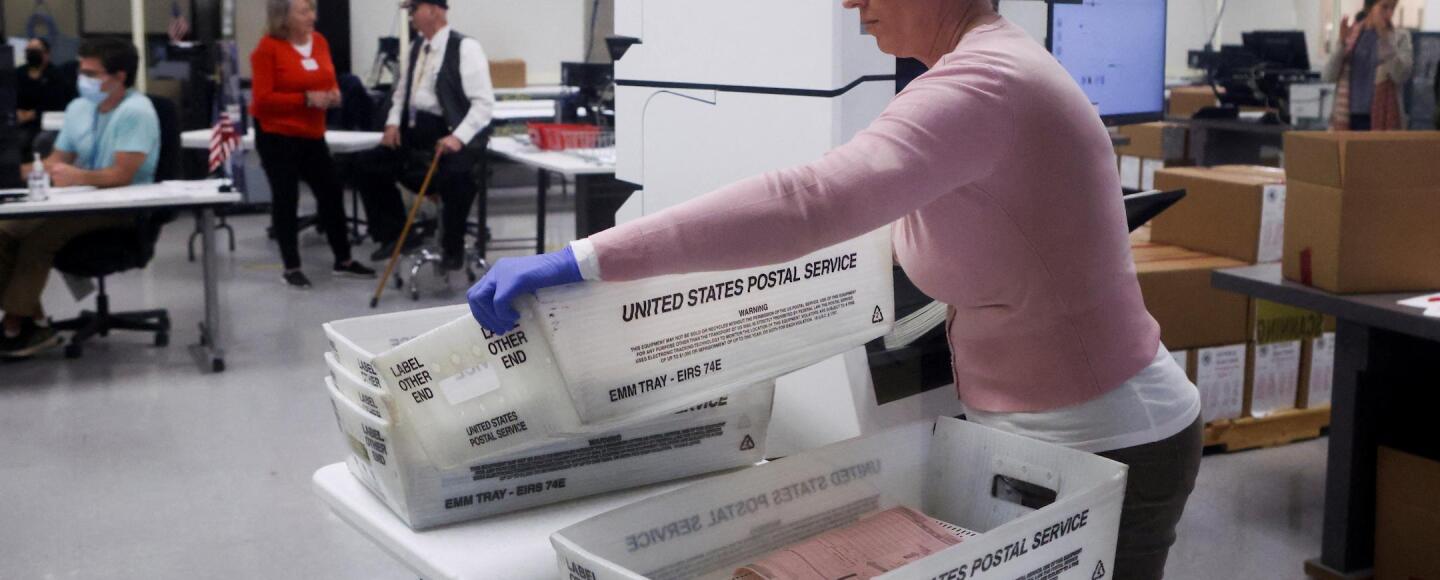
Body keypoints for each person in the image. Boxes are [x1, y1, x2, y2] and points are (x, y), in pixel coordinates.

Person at [467, 0, 1201, 578]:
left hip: (1110, 441)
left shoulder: (984, 84)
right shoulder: (985, 69)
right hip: (1038, 434)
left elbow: (807, 202)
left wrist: (585, 257)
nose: (852, 2)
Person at [0, 38, 160, 359]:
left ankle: (14, 325)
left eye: (91, 74)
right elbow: (55, 161)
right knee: (5, 230)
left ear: (120, 76)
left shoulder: (137, 112)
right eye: (81, 71)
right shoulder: (79, 108)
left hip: (121, 207)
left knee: (38, 238)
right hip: (77, 200)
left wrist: (78, 177)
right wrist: (12, 173)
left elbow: (122, 175)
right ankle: (34, 321)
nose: (82, 79)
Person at [354, 0, 495, 270]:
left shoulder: (465, 48)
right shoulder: (417, 46)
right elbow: (401, 93)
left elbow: (484, 104)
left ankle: (452, 248)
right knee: (367, 164)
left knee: (457, 177)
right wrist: (392, 123)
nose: (410, 16)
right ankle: (396, 234)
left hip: (450, 132)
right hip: (414, 132)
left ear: (433, 10)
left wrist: (458, 138)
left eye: (414, 9)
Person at [250, 0, 376, 288]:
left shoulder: (319, 42)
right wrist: (305, 99)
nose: (312, 17)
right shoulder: (268, 48)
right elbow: (262, 100)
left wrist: (333, 95)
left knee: (331, 192)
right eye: (303, 11)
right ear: (284, 16)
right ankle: (291, 266)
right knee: (286, 197)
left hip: (312, 133)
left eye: (312, 10)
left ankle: (344, 260)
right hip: (277, 134)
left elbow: (328, 79)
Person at [1325, 0, 1413, 131]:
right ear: (1370, 7)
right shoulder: (1351, 34)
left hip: (1382, 118)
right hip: (1349, 118)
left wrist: (1385, 39)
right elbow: (1328, 76)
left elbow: (1401, 75)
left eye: (1393, 8)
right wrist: (1342, 44)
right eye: (1384, 7)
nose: (1389, 13)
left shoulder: (1400, 37)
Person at [14, 37, 75, 158]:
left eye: (35, 50)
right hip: (21, 121)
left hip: (48, 122)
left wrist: (31, 114)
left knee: (41, 141)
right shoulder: (18, 73)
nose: (31, 54)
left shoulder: (57, 75)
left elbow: (57, 105)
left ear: (46, 54)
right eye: (28, 50)